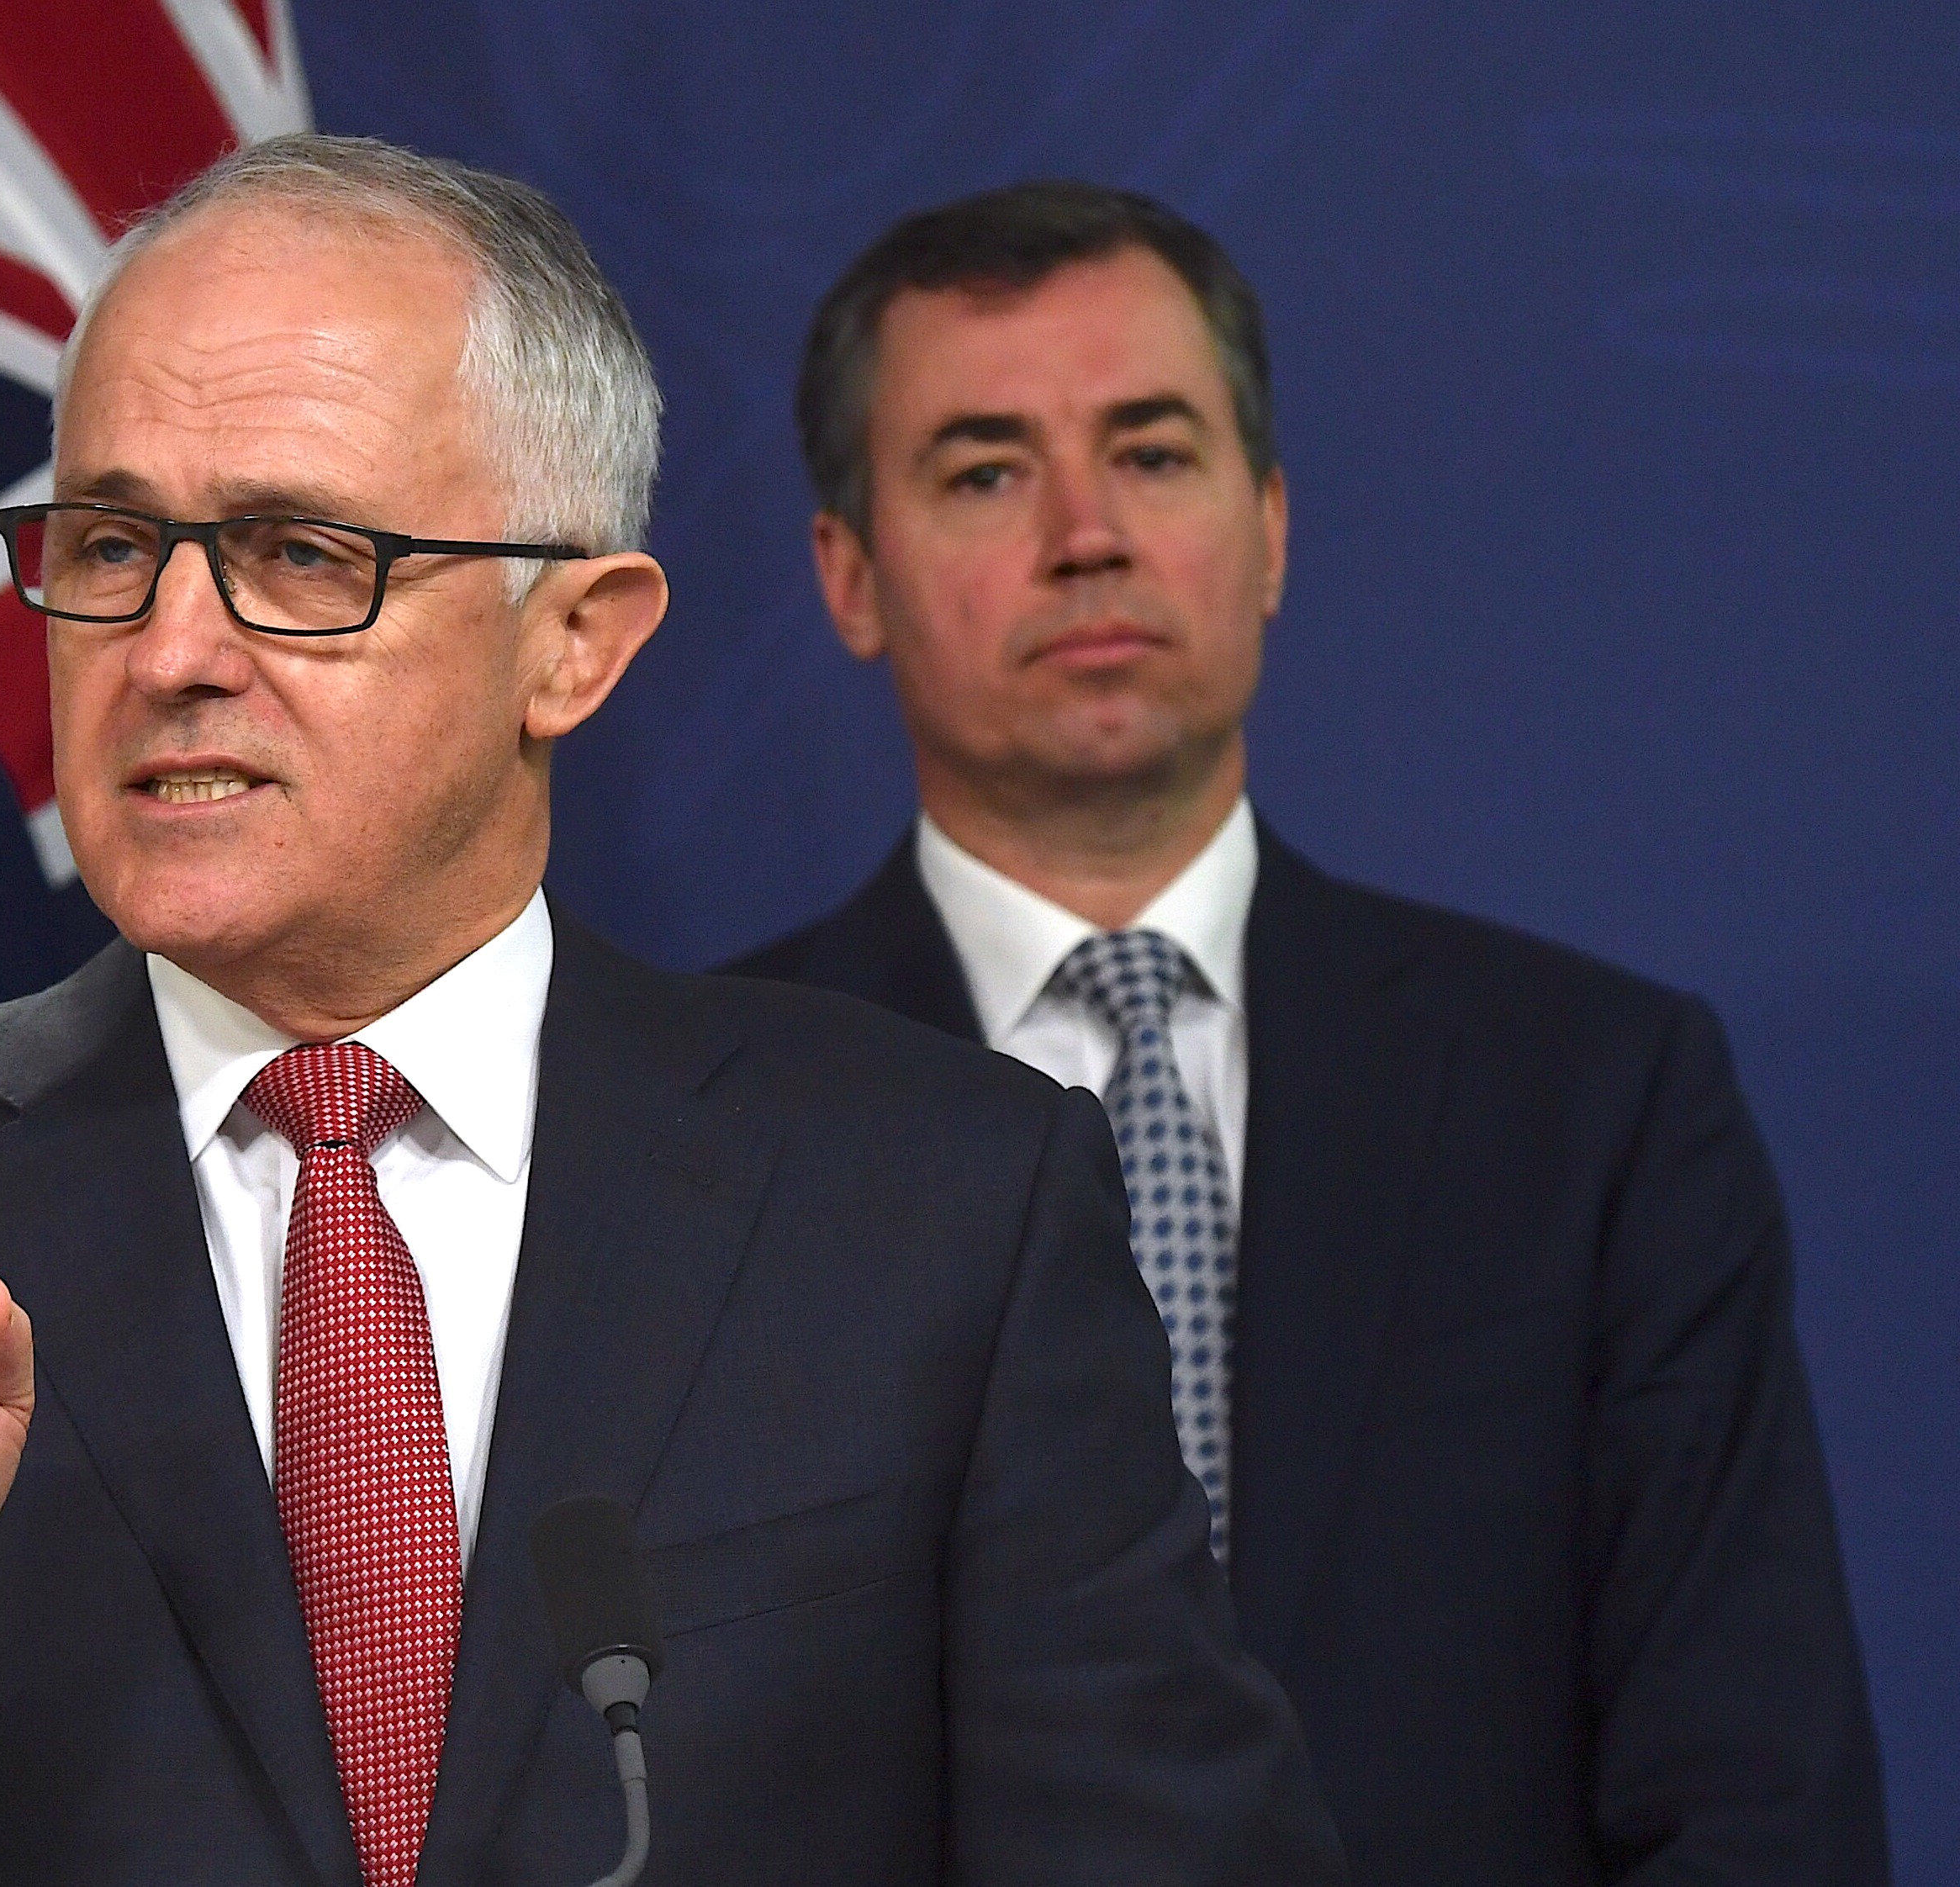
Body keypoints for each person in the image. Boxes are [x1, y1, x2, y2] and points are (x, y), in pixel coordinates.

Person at [0, 139, 1339, 1887]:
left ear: (571, 641)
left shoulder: (938, 1208)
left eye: (298, 558)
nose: (170, 654)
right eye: (108, 549)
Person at [727, 180, 1889, 1884]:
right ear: (847, 573)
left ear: (1267, 526)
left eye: (1152, 452)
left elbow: (1755, 1795)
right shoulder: (703, 1117)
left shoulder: (1590, 1101)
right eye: (983, 470)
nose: (1084, 533)